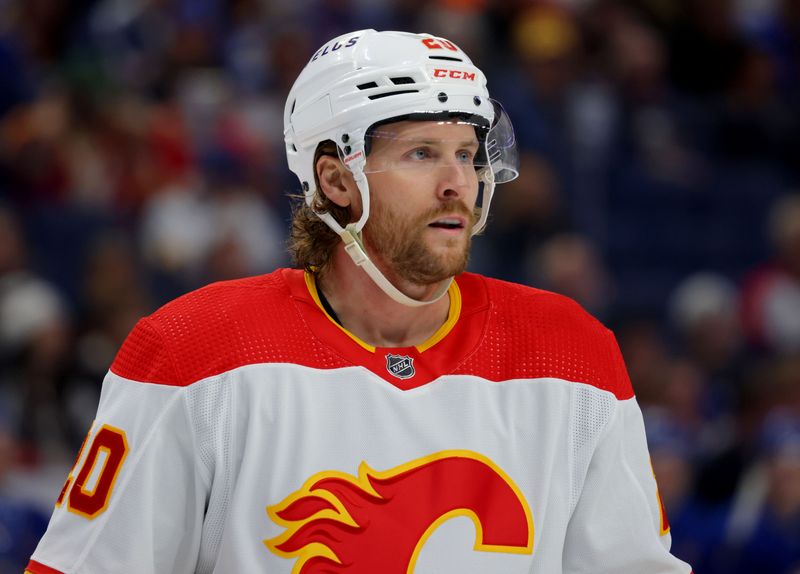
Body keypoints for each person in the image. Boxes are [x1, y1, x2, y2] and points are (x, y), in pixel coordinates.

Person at [26, 29, 692, 573]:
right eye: (423, 153)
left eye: (468, 153)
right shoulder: (194, 350)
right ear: (335, 178)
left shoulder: (571, 351)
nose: (458, 183)